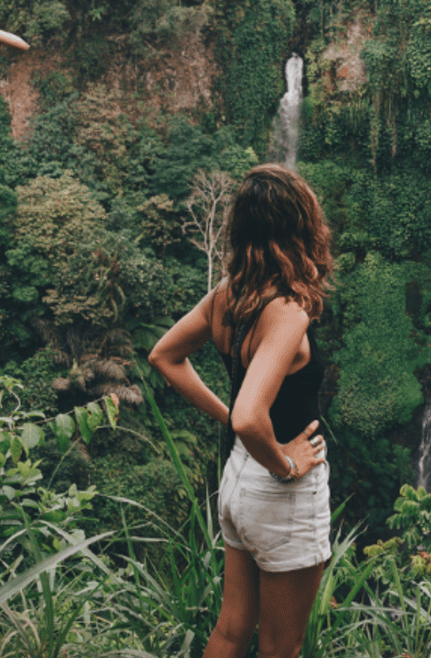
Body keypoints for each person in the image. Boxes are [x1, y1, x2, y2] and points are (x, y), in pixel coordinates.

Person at [149, 163, 333, 658]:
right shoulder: (289, 311)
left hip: (236, 482)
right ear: (300, 227)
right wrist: (285, 461)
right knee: (281, 649)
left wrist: (227, 418)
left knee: (231, 632)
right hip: (279, 495)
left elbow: (164, 357)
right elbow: (250, 416)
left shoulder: (225, 296)